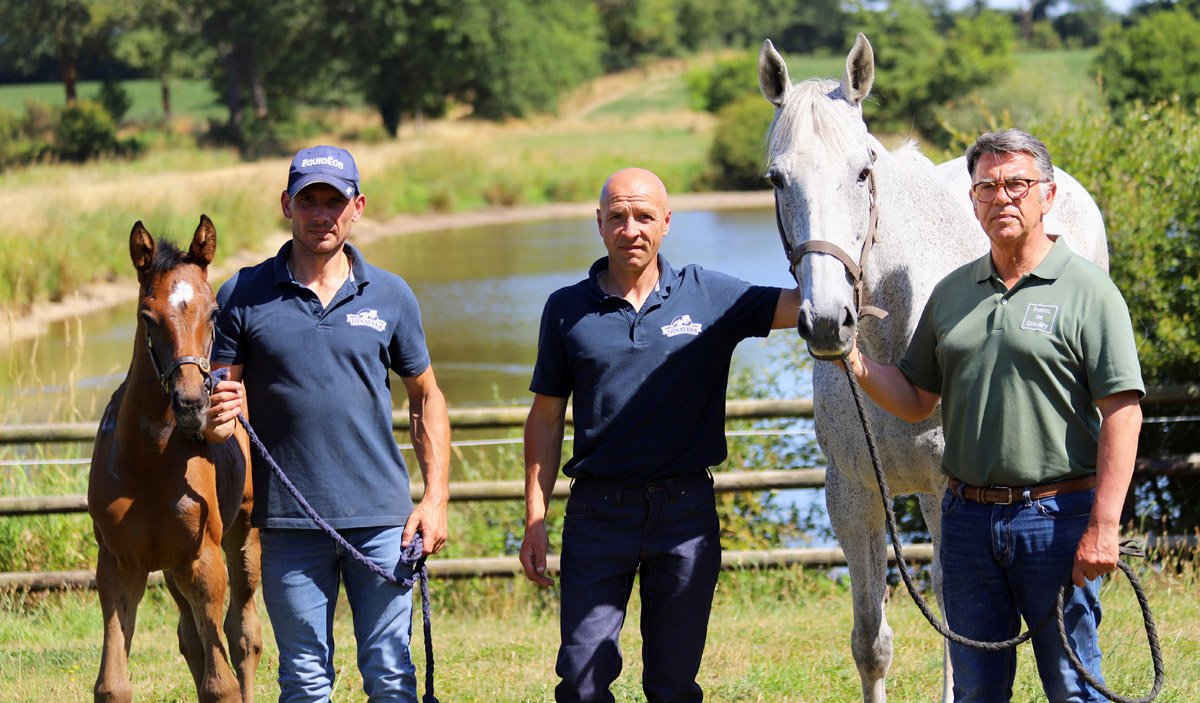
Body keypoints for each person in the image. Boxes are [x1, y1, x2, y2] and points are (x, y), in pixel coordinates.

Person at [841, 129, 1144, 702]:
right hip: (967, 525)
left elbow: (1122, 414)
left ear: (1047, 195)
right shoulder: (952, 293)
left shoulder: (1090, 291)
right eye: (987, 187)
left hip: (1056, 518)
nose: (1002, 197)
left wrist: (1104, 526)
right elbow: (916, 398)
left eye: (1017, 184)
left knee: (1073, 688)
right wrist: (852, 359)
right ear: (973, 201)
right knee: (976, 692)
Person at [519, 167, 801, 703]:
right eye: (618, 217)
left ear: (666, 223)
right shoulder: (565, 309)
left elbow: (803, 306)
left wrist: (830, 252)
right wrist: (535, 518)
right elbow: (546, 418)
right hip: (599, 514)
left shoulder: (708, 294)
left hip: (685, 514)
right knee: (580, 682)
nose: (631, 230)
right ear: (599, 223)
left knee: (673, 686)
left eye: (644, 216)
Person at [204, 145, 451, 703]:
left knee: (391, 676)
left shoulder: (391, 294)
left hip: (384, 522)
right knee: (304, 680)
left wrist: (435, 498)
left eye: (334, 202)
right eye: (308, 201)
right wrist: (217, 423)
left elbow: (427, 397)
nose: (321, 215)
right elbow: (219, 416)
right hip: (288, 523)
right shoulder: (242, 294)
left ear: (357, 207)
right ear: (286, 204)